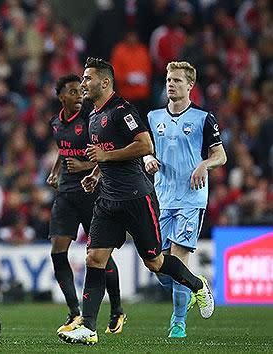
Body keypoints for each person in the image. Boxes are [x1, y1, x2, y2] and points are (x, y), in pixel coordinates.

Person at [58, 57, 214, 346]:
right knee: (94, 258)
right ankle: (89, 328)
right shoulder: (93, 116)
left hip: (136, 198)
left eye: (88, 78)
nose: (83, 83)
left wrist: (104, 158)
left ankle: (197, 284)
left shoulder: (122, 110)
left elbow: (145, 145)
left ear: (105, 82)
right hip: (107, 200)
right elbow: (105, 153)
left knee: (154, 262)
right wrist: (96, 173)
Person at [144, 61, 226, 338]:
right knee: (156, 264)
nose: (171, 84)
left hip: (191, 199)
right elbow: (146, 150)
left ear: (190, 85)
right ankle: (196, 285)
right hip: (162, 198)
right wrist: (148, 159)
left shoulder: (204, 119)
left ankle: (178, 324)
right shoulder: (154, 117)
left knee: (178, 258)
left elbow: (220, 155)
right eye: (168, 79)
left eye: (177, 80)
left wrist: (204, 165)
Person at [46, 74, 126, 336]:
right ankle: (74, 311)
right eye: (72, 92)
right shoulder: (56, 123)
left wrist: (84, 166)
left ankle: (116, 309)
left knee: (100, 255)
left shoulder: (90, 121)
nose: (79, 95)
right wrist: (56, 171)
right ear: (61, 97)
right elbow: (63, 148)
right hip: (66, 194)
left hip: (93, 193)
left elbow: (107, 153)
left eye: (80, 91)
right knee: (58, 250)